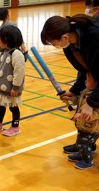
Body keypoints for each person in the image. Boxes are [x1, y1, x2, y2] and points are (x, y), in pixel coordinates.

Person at [41, 14, 99, 156]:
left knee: (90, 114)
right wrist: (74, 91)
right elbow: (84, 69)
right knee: (83, 114)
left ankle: (86, 147)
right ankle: (84, 145)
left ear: (64, 37)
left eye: (53, 43)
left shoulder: (94, 36)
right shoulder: (70, 46)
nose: (55, 46)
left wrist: (90, 104)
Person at [0, 25, 26, 136]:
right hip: (2, 87)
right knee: (1, 106)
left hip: (11, 89)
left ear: (6, 40)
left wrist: (16, 87)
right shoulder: (3, 53)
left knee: (13, 107)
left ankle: (15, 126)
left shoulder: (17, 54)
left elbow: (19, 72)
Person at [67, 71, 99, 169]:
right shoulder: (86, 91)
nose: (85, 81)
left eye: (88, 79)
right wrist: (71, 98)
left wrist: (80, 114)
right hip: (83, 127)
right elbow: (79, 99)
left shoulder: (96, 98)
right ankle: (82, 154)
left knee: (83, 143)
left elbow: (95, 114)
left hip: (90, 128)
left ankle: (87, 161)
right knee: (83, 143)